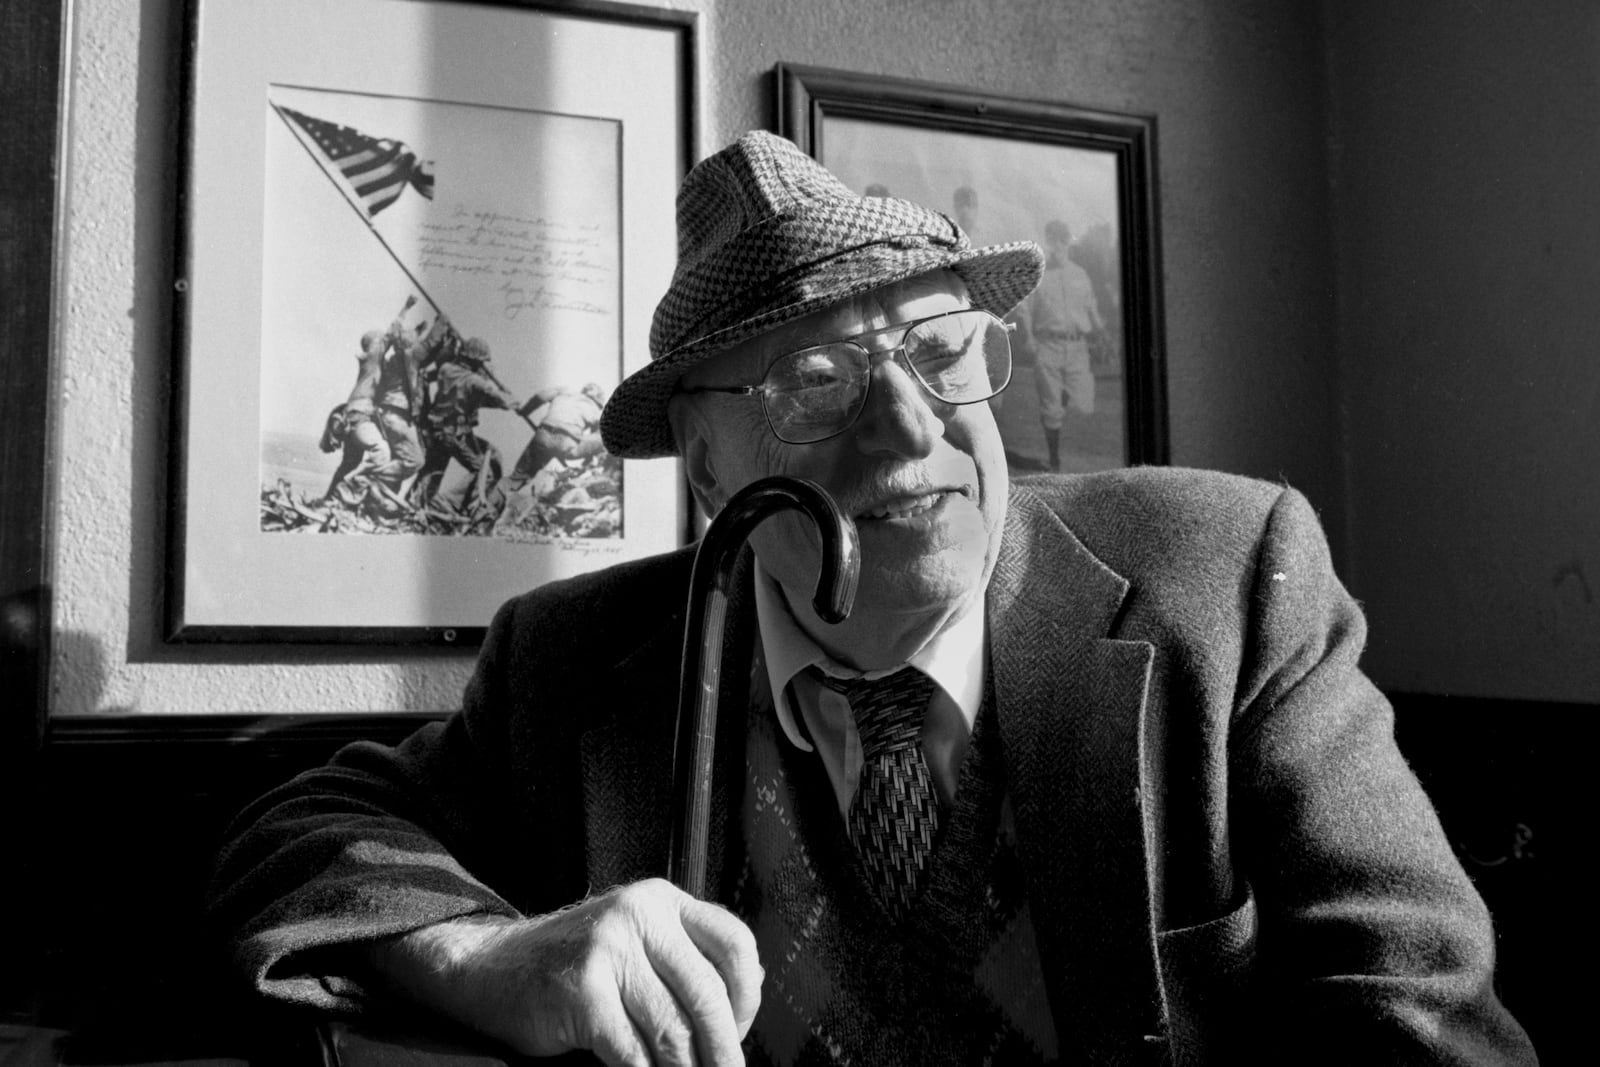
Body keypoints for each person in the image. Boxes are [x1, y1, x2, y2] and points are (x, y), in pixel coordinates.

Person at [209, 132, 1536, 1065]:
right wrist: (493, 955)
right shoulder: (579, 656)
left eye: (944, 349)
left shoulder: (1223, 578)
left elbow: (1414, 1006)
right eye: (821, 377)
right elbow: (308, 827)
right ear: (709, 454)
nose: (907, 427)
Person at [1019, 219, 1104, 470]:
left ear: (1068, 242)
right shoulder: (1038, 275)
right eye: (1051, 240)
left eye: (1061, 240)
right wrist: (1030, 340)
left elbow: (1091, 307)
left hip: (1077, 347)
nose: (1056, 246)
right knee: (1051, 407)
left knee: (1084, 402)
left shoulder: (1080, 274)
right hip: (1048, 345)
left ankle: (1062, 399)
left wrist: (1100, 332)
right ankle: (1054, 458)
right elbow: (1025, 311)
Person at [422, 334, 522, 514]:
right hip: (454, 434)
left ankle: (422, 505)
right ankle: (447, 503)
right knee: (485, 472)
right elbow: (503, 401)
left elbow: (475, 399)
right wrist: (511, 398)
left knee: (434, 470)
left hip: (440, 431)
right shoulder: (475, 381)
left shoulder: (445, 369)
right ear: (476, 361)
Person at [494, 381, 609, 533]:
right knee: (605, 437)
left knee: (517, 478)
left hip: (542, 435)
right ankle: (591, 465)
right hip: (567, 445)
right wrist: (588, 458)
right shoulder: (594, 410)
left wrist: (525, 411)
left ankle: (486, 511)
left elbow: (540, 396)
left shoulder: (564, 390)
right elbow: (598, 435)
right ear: (598, 401)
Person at [320, 328, 394, 502]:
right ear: (373, 344)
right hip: (359, 415)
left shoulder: (372, 364)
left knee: (350, 462)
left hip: (354, 415)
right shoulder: (372, 359)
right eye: (379, 341)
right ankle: (349, 484)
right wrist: (405, 311)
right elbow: (389, 339)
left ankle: (329, 499)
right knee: (382, 452)